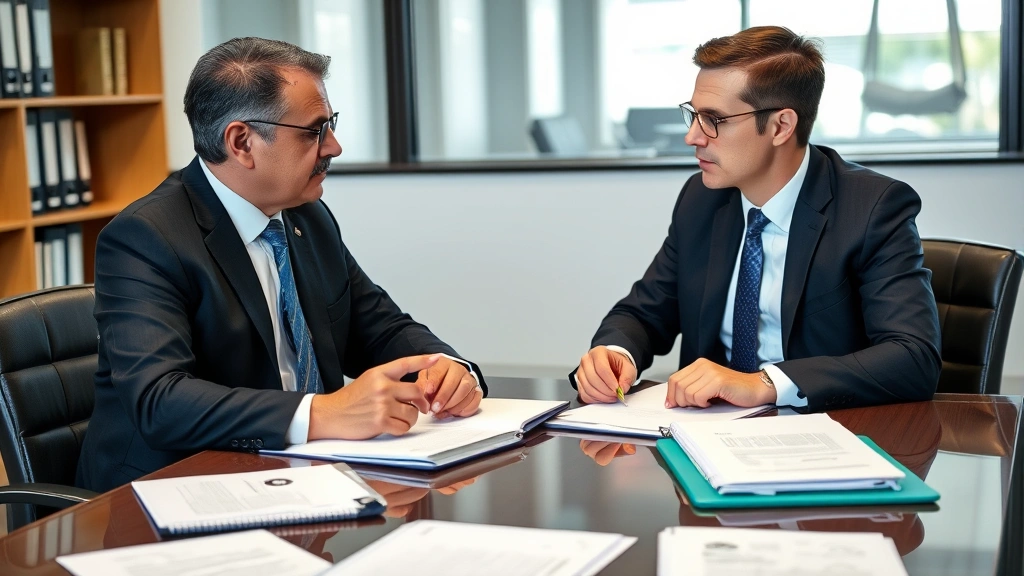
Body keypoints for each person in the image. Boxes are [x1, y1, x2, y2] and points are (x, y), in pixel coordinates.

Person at [77, 37, 485, 492]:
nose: (334, 147)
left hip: (297, 478)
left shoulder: (306, 216)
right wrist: (322, 413)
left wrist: (445, 369)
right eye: (314, 131)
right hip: (173, 490)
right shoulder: (146, 237)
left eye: (330, 125)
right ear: (242, 142)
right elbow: (159, 401)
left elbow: (378, 326)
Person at [571, 26, 940, 412]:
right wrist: (616, 353)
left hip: (824, 430)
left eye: (714, 119)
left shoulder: (872, 208)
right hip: (705, 429)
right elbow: (644, 312)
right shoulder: (702, 199)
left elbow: (913, 357)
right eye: (693, 115)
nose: (693, 137)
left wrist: (765, 383)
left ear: (781, 126)